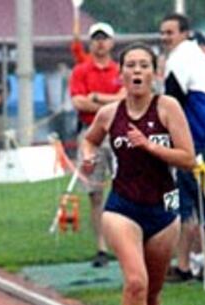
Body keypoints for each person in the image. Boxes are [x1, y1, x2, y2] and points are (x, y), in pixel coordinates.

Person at [81, 43, 195, 305]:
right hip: (122, 208)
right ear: (121, 73)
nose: (137, 72)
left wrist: (150, 147)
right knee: (135, 282)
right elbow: (89, 141)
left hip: (162, 211)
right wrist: (88, 159)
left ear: (154, 73)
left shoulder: (167, 108)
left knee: (154, 292)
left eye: (144, 65)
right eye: (131, 65)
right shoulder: (109, 114)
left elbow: (188, 158)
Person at [159, 14, 205, 281]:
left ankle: (192, 265)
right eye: (162, 33)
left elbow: (172, 102)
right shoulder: (199, 57)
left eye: (169, 32)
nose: (165, 38)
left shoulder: (179, 59)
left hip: (193, 139)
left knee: (190, 204)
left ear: (184, 33)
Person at [69, 22, 125, 268]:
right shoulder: (81, 70)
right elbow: (78, 103)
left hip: (117, 133)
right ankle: (101, 246)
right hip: (91, 134)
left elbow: (125, 99)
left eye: (104, 39)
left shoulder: (120, 69)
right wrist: (109, 104)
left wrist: (98, 99)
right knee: (94, 192)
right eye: (96, 39)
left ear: (111, 42)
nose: (100, 43)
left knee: (126, 186)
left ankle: (124, 241)